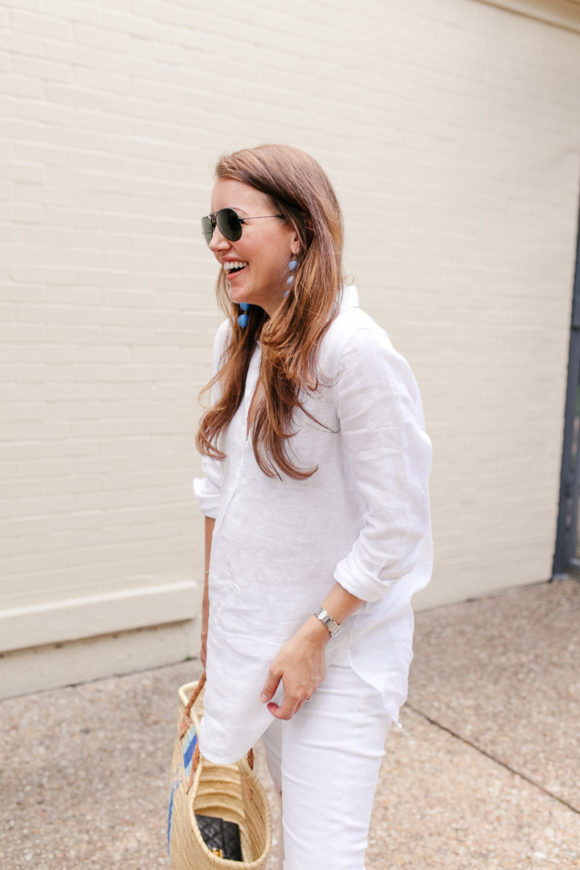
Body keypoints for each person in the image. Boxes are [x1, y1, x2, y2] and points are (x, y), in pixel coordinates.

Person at [193, 144, 432, 870]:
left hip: (337, 659)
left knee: (322, 859)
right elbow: (216, 497)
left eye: (234, 220)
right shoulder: (239, 339)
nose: (218, 241)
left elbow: (397, 524)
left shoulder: (355, 352)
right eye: (210, 223)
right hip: (259, 652)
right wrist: (214, 641)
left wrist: (316, 634)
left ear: (298, 229)